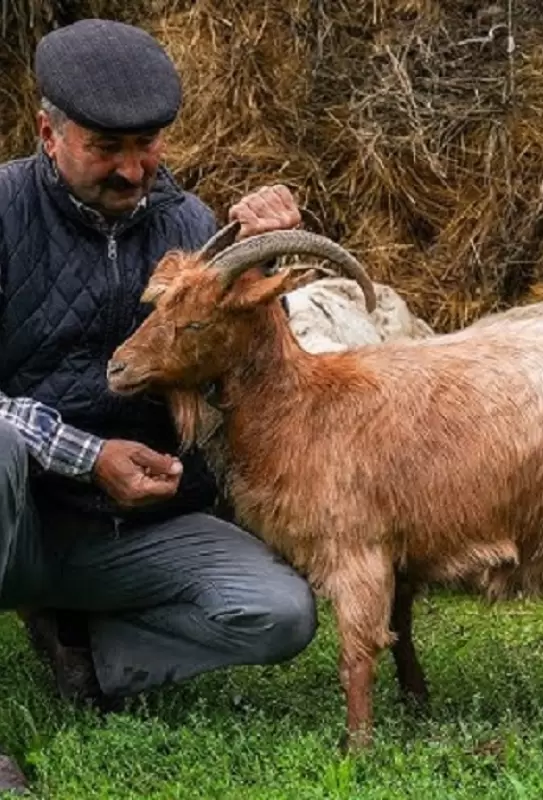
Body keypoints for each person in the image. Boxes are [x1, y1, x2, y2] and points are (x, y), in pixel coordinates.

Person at [0, 19, 318, 793]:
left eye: (148, 144)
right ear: (48, 131)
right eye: (106, 148)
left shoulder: (191, 228)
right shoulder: (3, 212)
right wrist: (86, 454)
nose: (134, 169)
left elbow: (253, 378)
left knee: (281, 613)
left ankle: (94, 656)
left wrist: (264, 255)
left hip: (136, 533)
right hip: (22, 517)